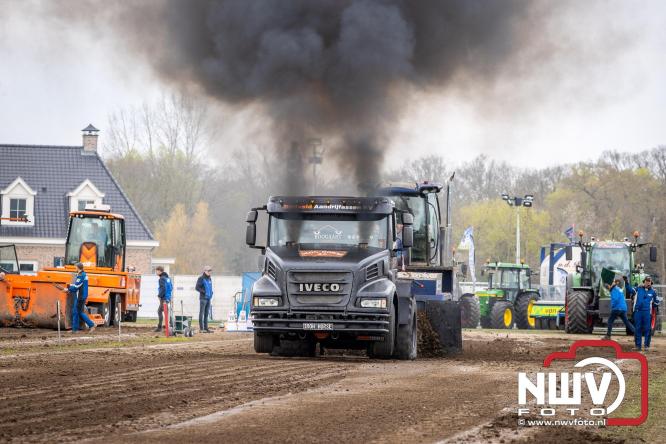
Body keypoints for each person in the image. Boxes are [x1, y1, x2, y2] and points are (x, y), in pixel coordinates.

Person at [625, 276, 660, 351]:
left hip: (647, 313)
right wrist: (626, 282)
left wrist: (652, 305)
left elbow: (657, 302)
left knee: (648, 329)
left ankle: (646, 345)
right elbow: (630, 290)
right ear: (644, 282)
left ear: (651, 283)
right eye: (646, 281)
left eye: (649, 281)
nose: (648, 282)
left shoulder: (653, 292)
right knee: (638, 328)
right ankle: (638, 346)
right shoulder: (638, 289)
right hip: (638, 312)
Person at [70, 262, 95, 333]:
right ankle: (75, 329)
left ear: (78, 267)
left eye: (75, 267)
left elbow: (76, 286)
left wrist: (68, 289)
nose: (75, 268)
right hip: (82, 296)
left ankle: (91, 325)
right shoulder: (83, 274)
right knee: (77, 312)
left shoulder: (81, 275)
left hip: (80, 297)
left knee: (78, 312)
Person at [154, 266, 173, 332]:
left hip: (164, 298)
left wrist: (159, 295)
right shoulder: (168, 278)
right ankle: (170, 325)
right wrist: (169, 296)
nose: (156, 272)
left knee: (159, 311)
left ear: (159, 271)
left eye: (156, 271)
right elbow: (171, 287)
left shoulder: (161, 279)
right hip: (168, 297)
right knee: (166, 312)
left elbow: (163, 288)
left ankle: (159, 327)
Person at [195, 266, 214, 333]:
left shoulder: (209, 279)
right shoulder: (201, 278)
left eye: (210, 271)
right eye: (208, 271)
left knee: (206, 314)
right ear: (205, 271)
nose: (209, 272)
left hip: (208, 298)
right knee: (202, 313)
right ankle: (201, 328)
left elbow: (210, 287)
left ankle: (206, 328)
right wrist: (204, 292)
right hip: (203, 298)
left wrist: (211, 292)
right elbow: (197, 287)